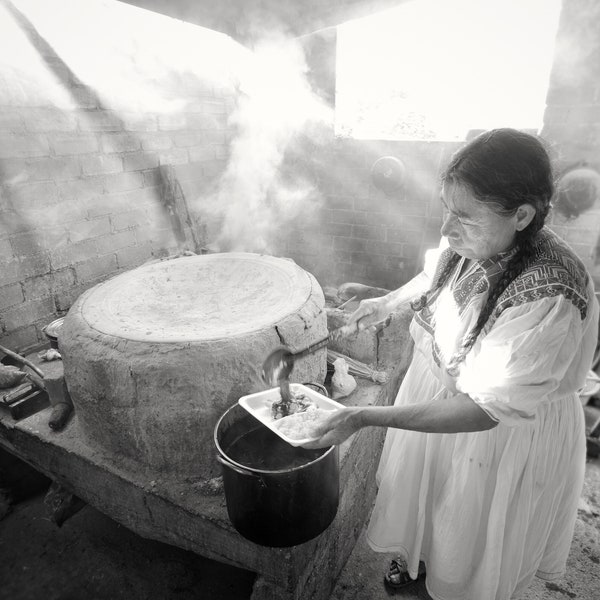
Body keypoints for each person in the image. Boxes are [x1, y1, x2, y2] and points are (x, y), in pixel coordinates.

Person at [303, 128, 599, 600]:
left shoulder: (549, 298)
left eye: (462, 216)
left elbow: (484, 411)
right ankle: (420, 562)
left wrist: (361, 416)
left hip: (500, 432)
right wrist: (386, 302)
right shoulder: (480, 239)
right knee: (431, 499)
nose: (446, 227)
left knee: (468, 528)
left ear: (522, 215)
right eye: (446, 208)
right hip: (442, 400)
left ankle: (446, 586)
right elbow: (434, 274)